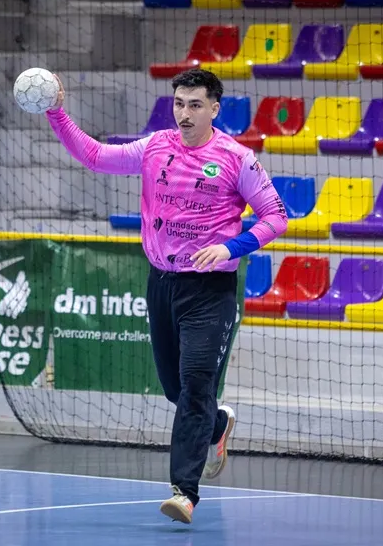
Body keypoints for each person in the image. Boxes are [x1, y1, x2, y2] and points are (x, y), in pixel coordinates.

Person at [44, 69, 288, 524]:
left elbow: (276, 216)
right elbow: (95, 156)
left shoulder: (237, 159)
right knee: (175, 389)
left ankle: (184, 492)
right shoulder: (156, 146)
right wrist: (56, 112)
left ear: (214, 109)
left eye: (195, 105)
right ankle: (217, 425)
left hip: (209, 289)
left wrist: (230, 248)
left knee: (195, 384)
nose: (184, 114)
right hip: (162, 282)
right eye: (179, 103)